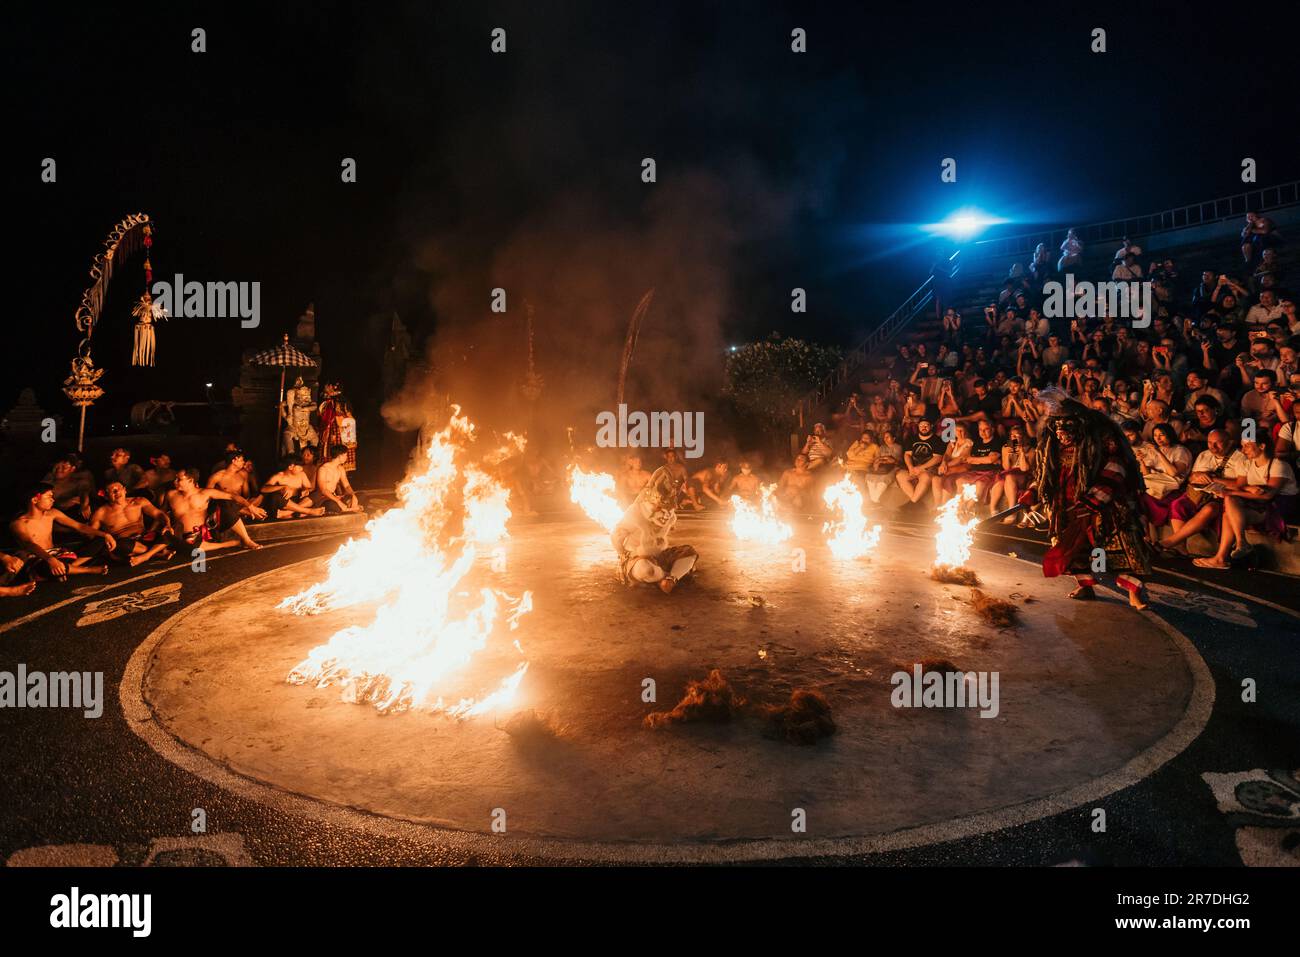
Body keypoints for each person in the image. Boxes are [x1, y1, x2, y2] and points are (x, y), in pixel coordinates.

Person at [1022, 391, 1152, 609]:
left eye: (1067, 428)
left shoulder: (1102, 438)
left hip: (1104, 505)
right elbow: (1046, 474)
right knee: (1070, 549)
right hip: (1065, 505)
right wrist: (1033, 492)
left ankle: (1133, 594)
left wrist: (1095, 499)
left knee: (1120, 546)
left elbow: (1117, 467)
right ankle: (1085, 586)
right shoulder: (1051, 443)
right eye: (1058, 429)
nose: (1062, 435)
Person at [1193, 438, 1297, 569]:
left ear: (1262, 446)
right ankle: (1238, 545)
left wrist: (1232, 492)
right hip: (1257, 503)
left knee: (1229, 506)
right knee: (1229, 507)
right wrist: (1247, 488)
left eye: (1247, 446)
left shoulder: (1278, 465)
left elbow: (1267, 495)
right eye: (1242, 446)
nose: (1243, 450)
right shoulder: (1246, 464)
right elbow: (1239, 486)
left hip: (1278, 506)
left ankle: (1225, 554)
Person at [610, 466, 698, 595]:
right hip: (637, 559)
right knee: (645, 570)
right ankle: (667, 577)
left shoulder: (671, 517)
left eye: (669, 510)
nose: (666, 515)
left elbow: (667, 527)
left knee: (690, 552)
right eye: (661, 510)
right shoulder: (635, 513)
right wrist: (623, 554)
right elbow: (615, 537)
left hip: (659, 556)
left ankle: (669, 580)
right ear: (651, 504)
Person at [1158, 430, 1248, 555]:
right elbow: (1191, 477)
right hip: (1199, 494)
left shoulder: (1240, 457)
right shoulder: (1204, 455)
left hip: (1221, 497)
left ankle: (1170, 542)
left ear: (1229, 442)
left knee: (1210, 509)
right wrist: (1197, 476)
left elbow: (1241, 484)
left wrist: (1213, 478)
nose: (1213, 447)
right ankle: (1181, 548)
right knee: (1178, 504)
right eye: (1210, 443)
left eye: (1217, 443)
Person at [8, 483, 115, 580]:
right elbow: (29, 545)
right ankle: (86, 570)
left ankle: (64, 569)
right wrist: (51, 560)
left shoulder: (52, 513)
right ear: (35, 500)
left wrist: (105, 534)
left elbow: (78, 526)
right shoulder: (19, 523)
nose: (53, 500)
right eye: (49, 497)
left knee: (100, 540)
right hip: (39, 559)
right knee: (45, 567)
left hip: (58, 555)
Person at [165, 469, 263, 553]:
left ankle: (247, 540)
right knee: (188, 547)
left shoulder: (205, 493)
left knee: (227, 504)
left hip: (205, 530)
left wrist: (250, 506)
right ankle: (229, 544)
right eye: (175, 479)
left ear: (190, 480)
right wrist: (166, 524)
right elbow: (161, 512)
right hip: (181, 533)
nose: (175, 481)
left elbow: (232, 496)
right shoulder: (170, 494)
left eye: (179, 479)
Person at [90, 481, 174, 565]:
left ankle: (146, 556)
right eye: (113, 491)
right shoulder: (100, 513)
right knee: (120, 546)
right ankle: (157, 552)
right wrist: (105, 536)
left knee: (170, 531)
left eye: (119, 489)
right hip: (125, 544)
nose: (117, 492)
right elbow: (90, 533)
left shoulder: (139, 501)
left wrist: (167, 524)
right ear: (106, 496)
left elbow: (158, 514)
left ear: (125, 490)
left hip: (145, 538)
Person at [989, 423, 1035, 521]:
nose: (1016, 438)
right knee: (1000, 482)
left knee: (1009, 477)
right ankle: (993, 510)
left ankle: (1012, 511)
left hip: (1023, 475)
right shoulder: (1006, 448)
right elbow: (1006, 467)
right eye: (1013, 436)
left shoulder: (1031, 450)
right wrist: (1008, 455)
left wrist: (1022, 453)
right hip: (1009, 473)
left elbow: (1025, 469)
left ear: (1023, 436)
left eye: (1019, 435)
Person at [206, 450, 268, 521]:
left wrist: (248, 504)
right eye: (241, 460)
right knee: (226, 503)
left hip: (242, 504)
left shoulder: (243, 474)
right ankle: (248, 513)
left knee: (261, 496)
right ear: (234, 460)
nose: (243, 462)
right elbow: (208, 497)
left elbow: (246, 495)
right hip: (226, 507)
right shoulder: (216, 477)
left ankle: (246, 512)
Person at [896, 419, 947, 504]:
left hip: (928, 468)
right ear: (918, 427)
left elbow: (938, 458)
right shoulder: (912, 438)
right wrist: (910, 467)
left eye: (926, 425)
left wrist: (921, 468)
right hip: (913, 467)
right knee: (900, 475)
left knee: (925, 477)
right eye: (921, 426)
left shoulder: (937, 440)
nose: (924, 427)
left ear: (931, 426)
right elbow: (907, 454)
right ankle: (914, 500)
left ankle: (912, 502)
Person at [260, 456, 326, 519]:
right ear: (291, 467)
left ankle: (288, 513)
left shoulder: (302, 474)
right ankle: (308, 511)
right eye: (299, 467)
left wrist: (306, 490)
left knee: (318, 493)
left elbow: (309, 488)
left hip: (298, 502)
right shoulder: (279, 476)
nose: (302, 468)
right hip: (286, 503)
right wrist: (282, 487)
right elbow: (263, 489)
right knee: (275, 497)